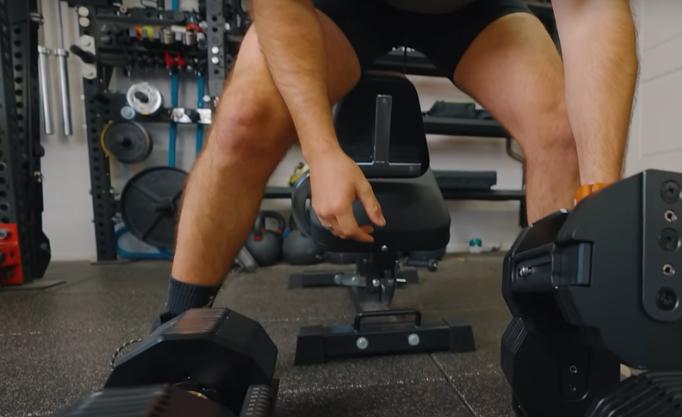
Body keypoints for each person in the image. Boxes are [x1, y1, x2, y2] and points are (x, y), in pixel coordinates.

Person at [157, 0, 638, 323]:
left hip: (472, 7)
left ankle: (560, 336)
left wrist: (601, 199)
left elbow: (592, 10)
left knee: (560, 130)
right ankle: (179, 332)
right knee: (245, 119)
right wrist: (321, 150)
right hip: (343, 6)